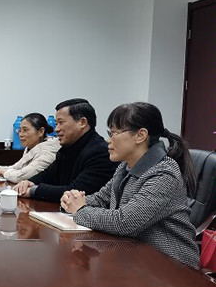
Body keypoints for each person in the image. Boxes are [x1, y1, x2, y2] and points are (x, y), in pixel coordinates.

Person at [61, 102, 200, 269]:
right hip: (135, 257)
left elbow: (125, 222)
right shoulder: (125, 166)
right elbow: (101, 199)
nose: (108, 140)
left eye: (114, 133)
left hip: (172, 265)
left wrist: (80, 210)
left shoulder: (164, 173)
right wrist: (72, 201)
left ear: (140, 135)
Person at [14, 98, 116, 202]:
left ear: (82, 123)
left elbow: (76, 192)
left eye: (61, 122)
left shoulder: (101, 151)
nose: (56, 129)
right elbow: (47, 175)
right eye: (56, 123)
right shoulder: (67, 147)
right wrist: (28, 182)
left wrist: (33, 191)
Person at [0, 113, 60, 183]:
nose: (20, 134)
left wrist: (4, 173)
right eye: (20, 130)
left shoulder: (48, 152)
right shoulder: (30, 147)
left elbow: (20, 176)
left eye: (25, 130)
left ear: (41, 131)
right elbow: (16, 167)